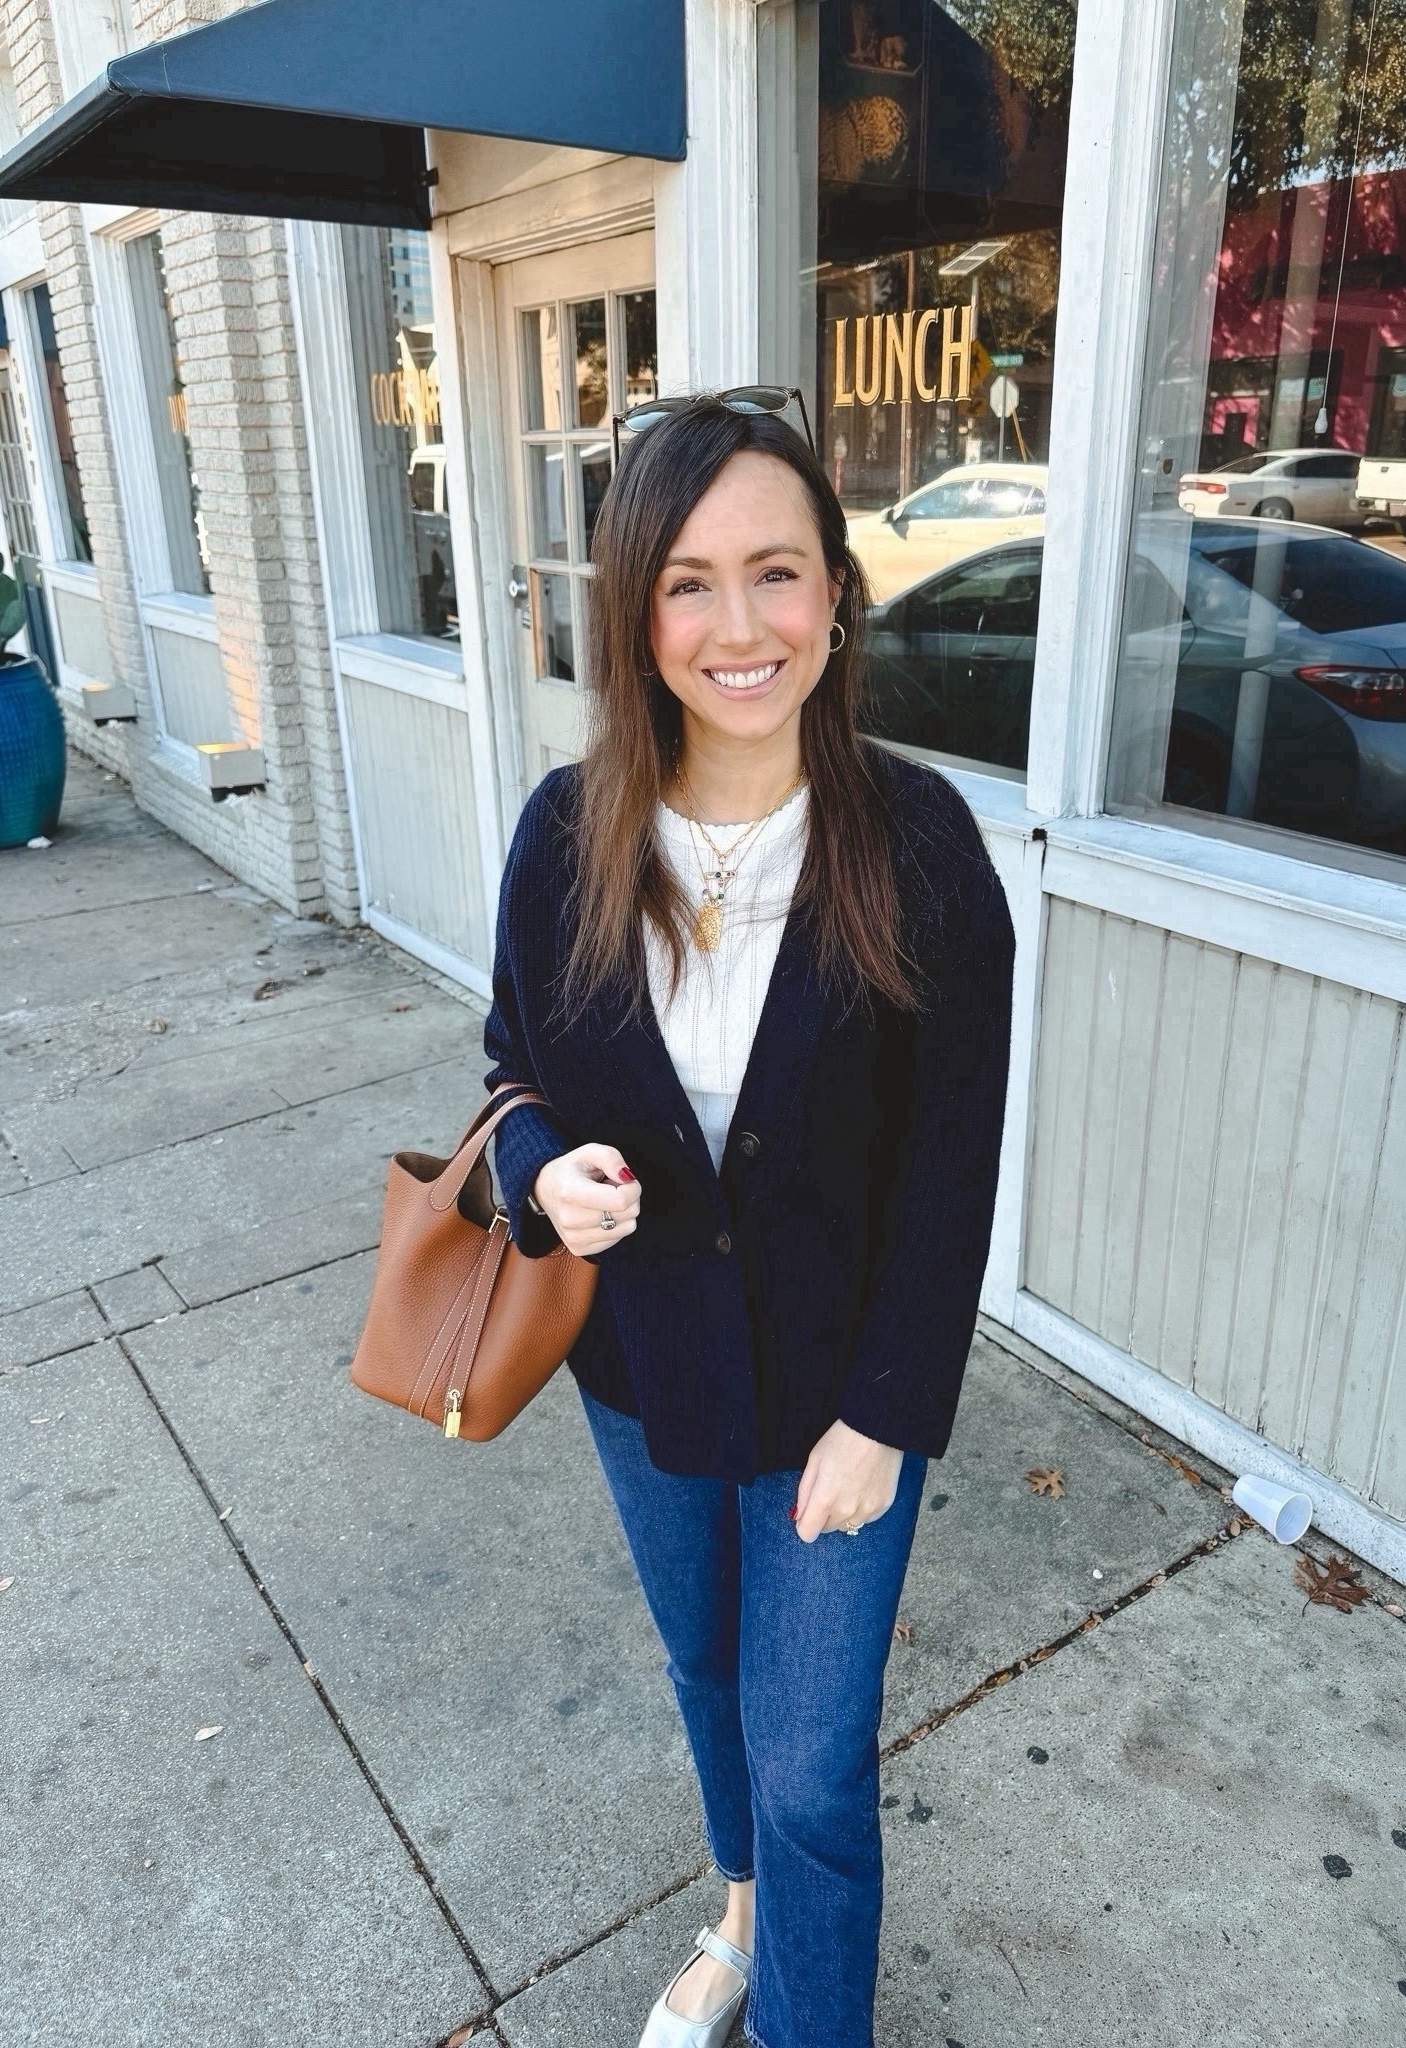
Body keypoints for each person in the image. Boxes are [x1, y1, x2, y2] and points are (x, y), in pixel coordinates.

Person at [482, 393, 1014, 2048]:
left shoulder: (918, 846)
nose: (739, 627)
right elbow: (511, 1064)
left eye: (777, 572)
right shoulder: (565, 836)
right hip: (641, 1373)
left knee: (812, 1765)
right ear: (635, 613)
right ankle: (740, 1917)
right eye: (689, 582)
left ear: (836, 595)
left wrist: (887, 1414)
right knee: (707, 1676)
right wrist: (538, 1173)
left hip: (837, 1405)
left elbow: (952, 1165)